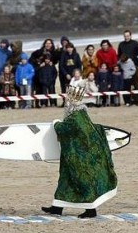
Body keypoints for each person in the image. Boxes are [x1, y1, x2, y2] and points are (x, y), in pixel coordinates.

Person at [41, 85, 118, 218]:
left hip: (80, 157)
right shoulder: (82, 115)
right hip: (74, 155)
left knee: (82, 182)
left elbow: (63, 129)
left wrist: (55, 123)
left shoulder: (75, 118)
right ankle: (57, 207)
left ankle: (90, 210)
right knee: (65, 181)